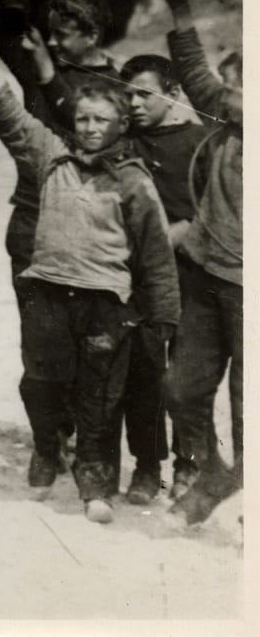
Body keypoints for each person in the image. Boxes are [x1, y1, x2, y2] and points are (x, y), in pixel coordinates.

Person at [0, 35, 178, 524]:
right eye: (82, 119)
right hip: (48, 291)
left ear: (121, 125)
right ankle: (46, 448)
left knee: (98, 397)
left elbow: (156, 255)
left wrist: (164, 317)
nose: (89, 128)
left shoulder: (133, 180)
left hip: (105, 302)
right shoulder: (52, 158)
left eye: (100, 120)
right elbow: (12, 116)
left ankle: (95, 486)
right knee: (40, 382)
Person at [158, 0, 242, 526]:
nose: (228, 95)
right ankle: (214, 472)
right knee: (180, 388)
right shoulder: (228, 116)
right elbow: (193, 69)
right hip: (205, 278)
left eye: (238, 88)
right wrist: (179, 6)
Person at [119, 52, 205, 502]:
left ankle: (189, 464)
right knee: (145, 373)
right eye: (128, 95)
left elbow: (215, 206)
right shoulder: (123, 141)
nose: (134, 104)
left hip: (192, 275)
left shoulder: (200, 141)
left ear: (172, 93)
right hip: (142, 279)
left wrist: (180, 232)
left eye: (144, 94)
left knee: (186, 376)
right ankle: (147, 467)